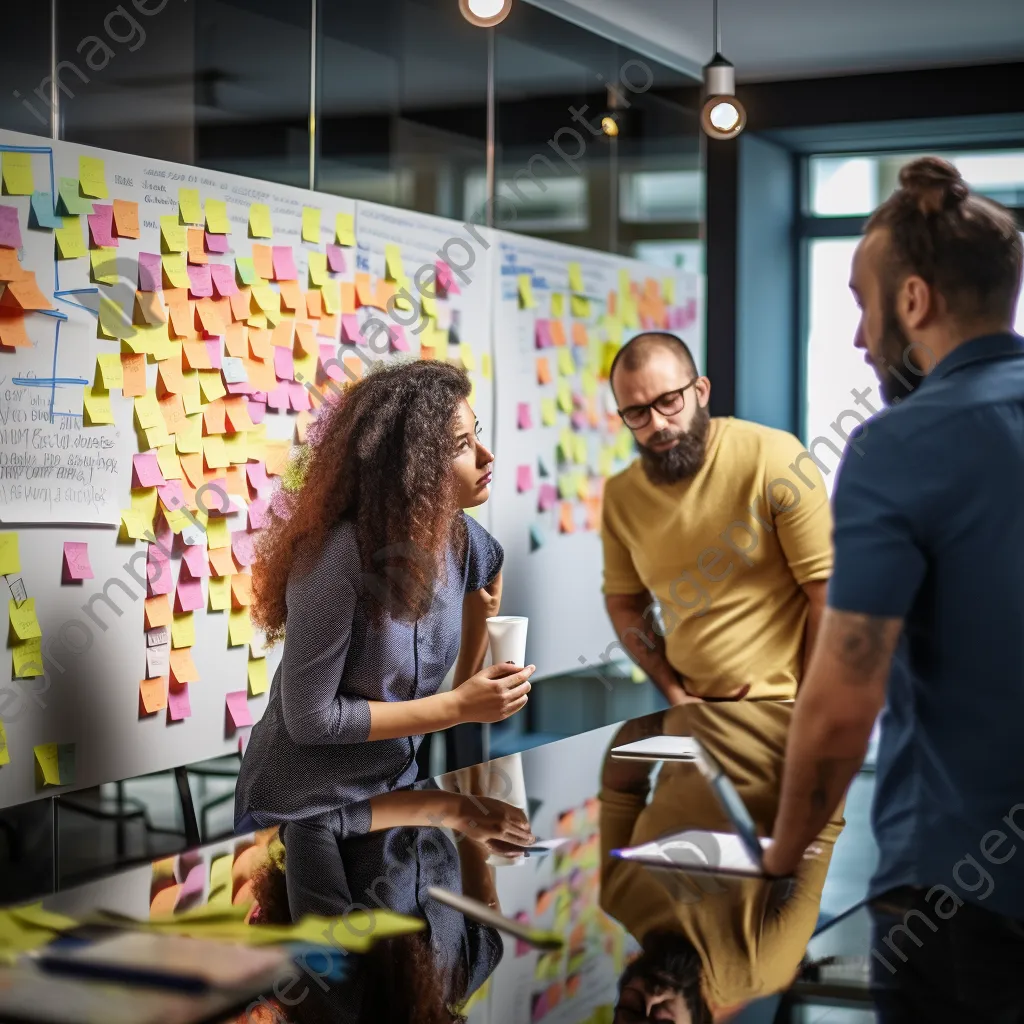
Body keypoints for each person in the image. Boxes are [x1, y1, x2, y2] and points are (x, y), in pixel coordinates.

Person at [762, 157, 1024, 1021]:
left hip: (960, 898)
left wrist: (784, 857)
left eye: (859, 303)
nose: (855, 338)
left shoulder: (901, 444)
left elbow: (843, 700)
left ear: (913, 302)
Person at [235, 360, 535, 832]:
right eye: (461, 446)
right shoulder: (336, 558)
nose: (486, 456)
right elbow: (311, 720)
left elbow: (490, 573)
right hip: (302, 813)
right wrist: (459, 706)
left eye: (474, 433)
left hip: (394, 796)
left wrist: (467, 677)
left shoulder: (458, 536)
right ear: (412, 466)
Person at [601, 333, 833, 703]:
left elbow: (828, 592)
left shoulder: (775, 458)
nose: (657, 423)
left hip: (787, 706)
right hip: (693, 715)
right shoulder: (620, 495)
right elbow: (624, 603)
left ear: (701, 391)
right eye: (637, 413)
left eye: (668, 401)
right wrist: (674, 693)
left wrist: (806, 708)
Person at [600, 704, 842, 1022]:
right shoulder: (759, 963)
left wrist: (665, 718)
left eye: (630, 1008)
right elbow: (819, 827)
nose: (651, 999)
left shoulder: (619, 897)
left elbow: (621, 788)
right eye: (661, 1021)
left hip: (701, 683)